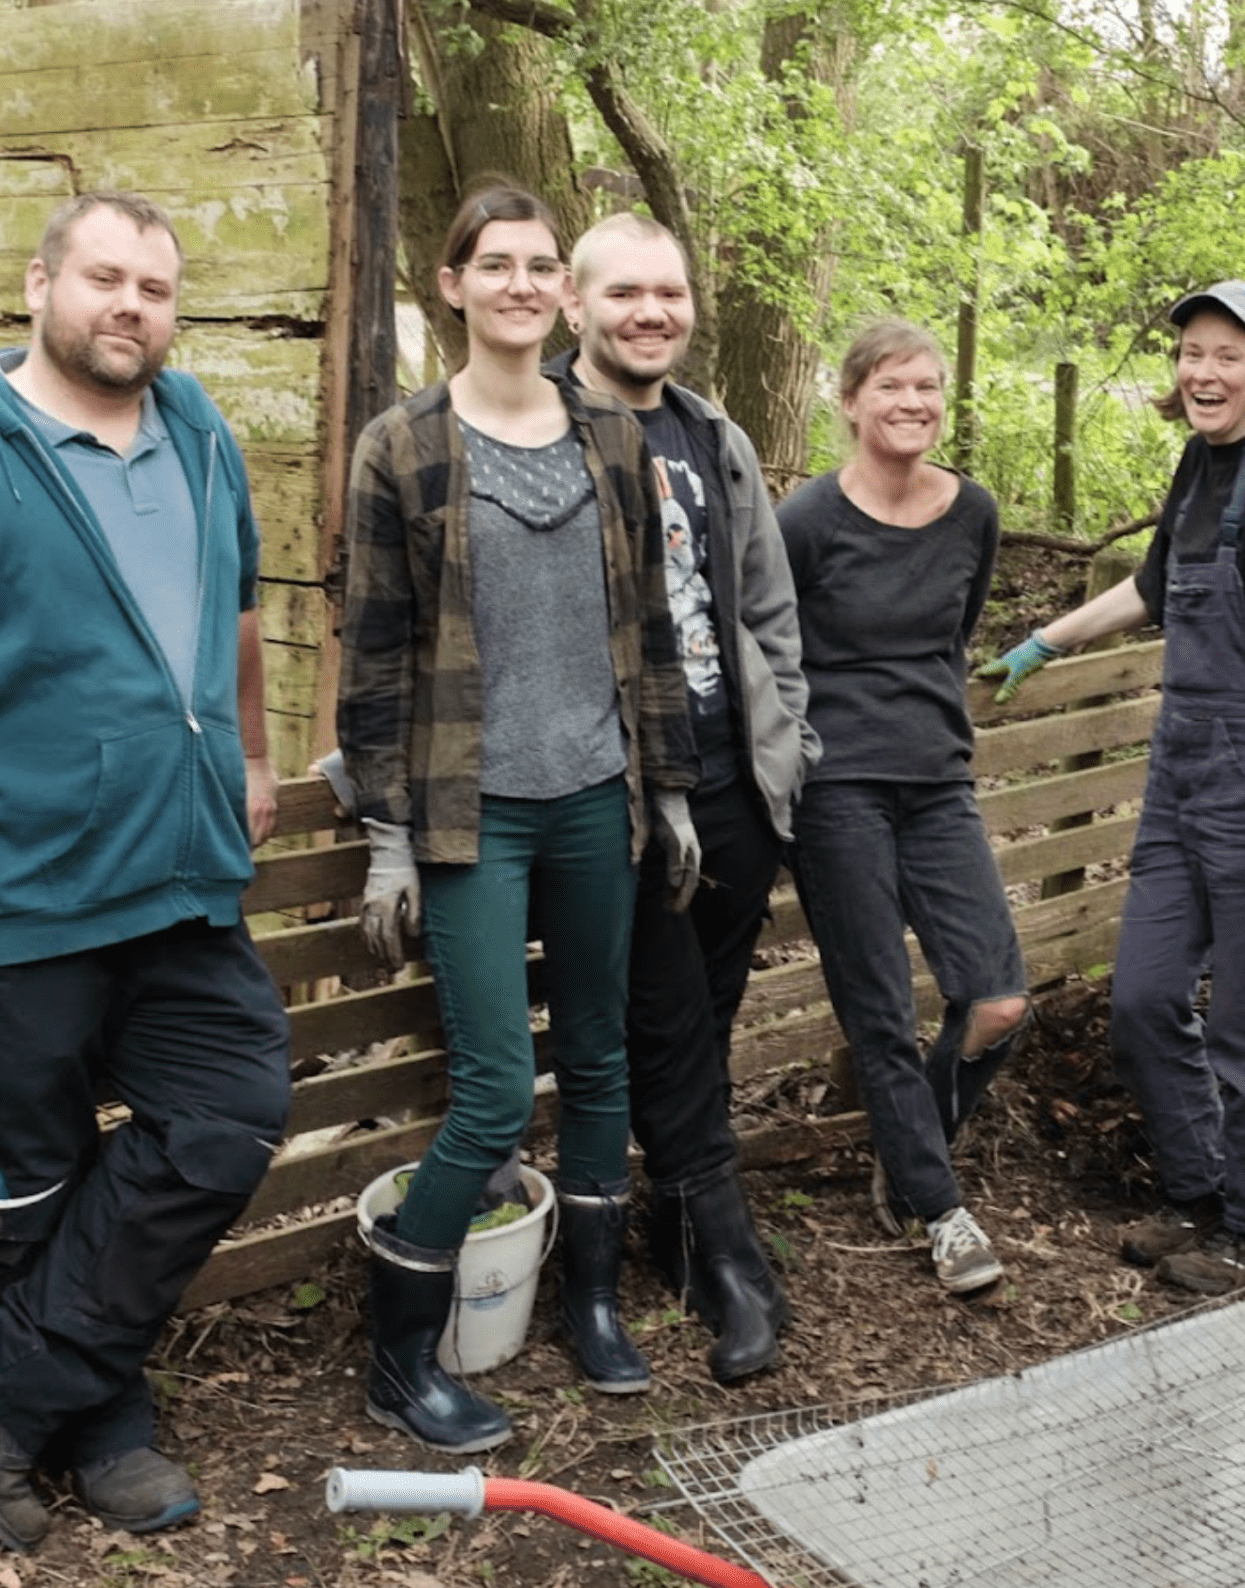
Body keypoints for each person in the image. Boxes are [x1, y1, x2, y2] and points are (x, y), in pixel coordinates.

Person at [0, 191, 291, 1551]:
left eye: (153, 284)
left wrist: (252, 757)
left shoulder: (201, 433)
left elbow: (239, 607)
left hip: (180, 872)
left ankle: (5, 1382)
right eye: (102, 277)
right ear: (39, 285)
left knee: (231, 1106)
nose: (128, 304)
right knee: (25, 1177)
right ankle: (106, 1425)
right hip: (15, 893)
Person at [334, 182, 695, 1449]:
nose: (522, 285)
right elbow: (371, 654)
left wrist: (666, 785)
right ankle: (398, 1358)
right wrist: (387, 832)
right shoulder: (403, 445)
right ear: (454, 284)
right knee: (494, 1089)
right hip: (469, 813)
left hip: (597, 801)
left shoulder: (612, 440)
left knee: (598, 1061)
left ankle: (591, 1306)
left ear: (561, 290)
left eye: (542, 266)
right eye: (496, 264)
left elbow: (648, 628)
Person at [981, 281, 1245, 1295]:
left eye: (1226, 355)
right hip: (1179, 776)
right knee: (1145, 995)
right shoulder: (1200, 465)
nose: (1202, 373)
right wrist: (1046, 639)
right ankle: (1203, 1187)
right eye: (1190, 354)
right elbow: (1155, 581)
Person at [547, 212, 816, 1382]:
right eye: (625, 294)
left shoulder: (715, 432)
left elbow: (766, 606)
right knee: (662, 1017)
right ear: (575, 305)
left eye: (670, 292)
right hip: (619, 794)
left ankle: (675, 1221)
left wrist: (785, 740)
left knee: (702, 1014)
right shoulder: (540, 428)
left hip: (734, 777)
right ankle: (734, 1266)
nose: (651, 312)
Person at [777, 320, 1030, 1296]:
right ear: (848, 401)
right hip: (835, 788)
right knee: (878, 1009)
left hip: (937, 782)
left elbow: (954, 635)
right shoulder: (805, 521)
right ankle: (940, 1209)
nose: (913, 403)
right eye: (891, 386)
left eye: (927, 387)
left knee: (997, 997)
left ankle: (908, 1139)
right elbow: (773, 645)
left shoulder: (973, 511)